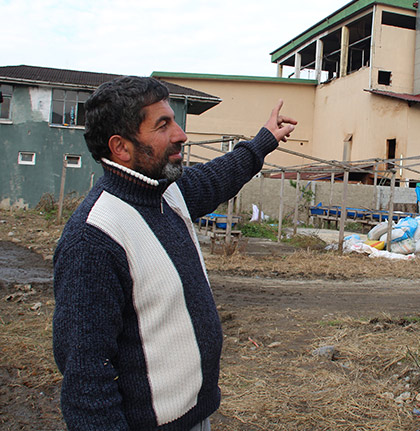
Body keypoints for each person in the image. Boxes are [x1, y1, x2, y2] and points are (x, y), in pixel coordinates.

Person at [52, 76, 296, 431]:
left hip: (196, 415)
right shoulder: (93, 239)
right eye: (162, 125)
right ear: (121, 148)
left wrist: (264, 141)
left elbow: (218, 177)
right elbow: (86, 377)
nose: (180, 134)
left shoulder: (165, 192)